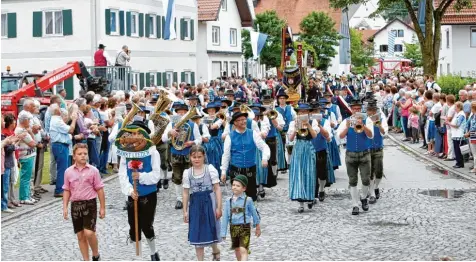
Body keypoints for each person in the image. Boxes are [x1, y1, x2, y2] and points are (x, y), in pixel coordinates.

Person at [117, 120, 161, 261]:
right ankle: (139, 256)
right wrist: (130, 190)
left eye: (138, 133)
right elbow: (122, 174)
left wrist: (140, 176)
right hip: (133, 194)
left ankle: (154, 251)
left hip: (148, 193)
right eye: (133, 133)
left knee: (146, 225)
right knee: (134, 226)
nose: (135, 136)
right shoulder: (126, 153)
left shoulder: (153, 152)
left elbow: (156, 175)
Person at [63, 143, 105, 261]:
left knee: (89, 233)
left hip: (90, 204)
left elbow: (100, 189)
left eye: (85, 154)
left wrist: (102, 207)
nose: (83, 156)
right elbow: (66, 189)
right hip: (75, 205)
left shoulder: (93, 171)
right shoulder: (68, 172)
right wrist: (65, 207)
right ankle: (86, 259)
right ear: (74, 156)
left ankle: (96, 254)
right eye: (80, 154)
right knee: (80, 235)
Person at [182, 145, 222, 261]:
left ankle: (215, 249)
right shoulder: (188, 173)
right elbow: (185, 192)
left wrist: (219, 207)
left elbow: (217, 188)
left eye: (199, 157)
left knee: (212, 228)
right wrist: (185, 211)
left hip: (209, 202)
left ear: (204, 156)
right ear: (190, 157)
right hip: (195, 204)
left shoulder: (210, 169)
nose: (197, 159)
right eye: (194, 157)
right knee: (197, 232)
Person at [220, 111, 270, 202]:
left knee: (251, 197)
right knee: (237, 197)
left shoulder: (253, 133)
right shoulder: (229, 136)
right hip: (236, 171)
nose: (243, 122)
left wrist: (264, 158)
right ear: (235, 123)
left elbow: (264, 147)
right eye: (240, 120)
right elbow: (226, 155)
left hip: (250, 170)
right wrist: (223, 171)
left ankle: (251, 215)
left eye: (244, 119)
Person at [337, 99, 374, 215]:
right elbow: (340, 136)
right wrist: (347, 127)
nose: (356, 111)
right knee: (352, 181)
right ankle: (355, 205)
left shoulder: (367, 120)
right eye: (354, 109)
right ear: (351, 110)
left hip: (364, 154)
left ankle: (363, 197)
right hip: (351, 154)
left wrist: (363, 126)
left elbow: (371, 135)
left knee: (366, 180)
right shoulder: (346, 121)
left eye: (358, 109)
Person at [162, 103, 202, 210]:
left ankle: (190, 197)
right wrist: (170, 132)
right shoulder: (171, 124)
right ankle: (179, 199)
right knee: (177, 177)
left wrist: (192, 142)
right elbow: (163, 138)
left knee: (189, 177)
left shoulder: (193, 125)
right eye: (179, 112)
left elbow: (200, 140)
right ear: (177, 113)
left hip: (189, 154)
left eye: (184, 112)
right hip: (175, 154)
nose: (182, 114)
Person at [287, 103, 319, 212]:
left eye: (304, 112)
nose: (302, 113)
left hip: (308, 147)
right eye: (300, 112)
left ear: (308, 113)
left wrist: (308, 125)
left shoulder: (312, 122)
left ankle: (309, 197)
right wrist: (296, 128)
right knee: (299, 173)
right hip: (298, 148)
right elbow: (290, 139)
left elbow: (314, 136)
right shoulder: (293, 123)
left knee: (309, 172)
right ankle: (301, 203)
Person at [220, 175, 261, 261]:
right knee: (237, 249)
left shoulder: (248, 200)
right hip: (233, 228)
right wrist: (223, 233)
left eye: (238, 186)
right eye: (233, 185)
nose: (235, 187)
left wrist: (257, 227)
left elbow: (254, 214)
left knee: (243, 249)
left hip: (244, 227)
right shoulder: (228, 201)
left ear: (244, 188)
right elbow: (225, 218)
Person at [365, 99, 388, 204]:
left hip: (378, 147)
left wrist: (379, 125)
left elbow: (384, 134)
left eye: (373, 110)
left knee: (379, 171)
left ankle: (375, 186)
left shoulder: (381, 118)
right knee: (370, 172)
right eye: (369, 110)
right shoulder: (364, 119)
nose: (371, 112)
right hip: (367, 148)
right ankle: (372, 193)